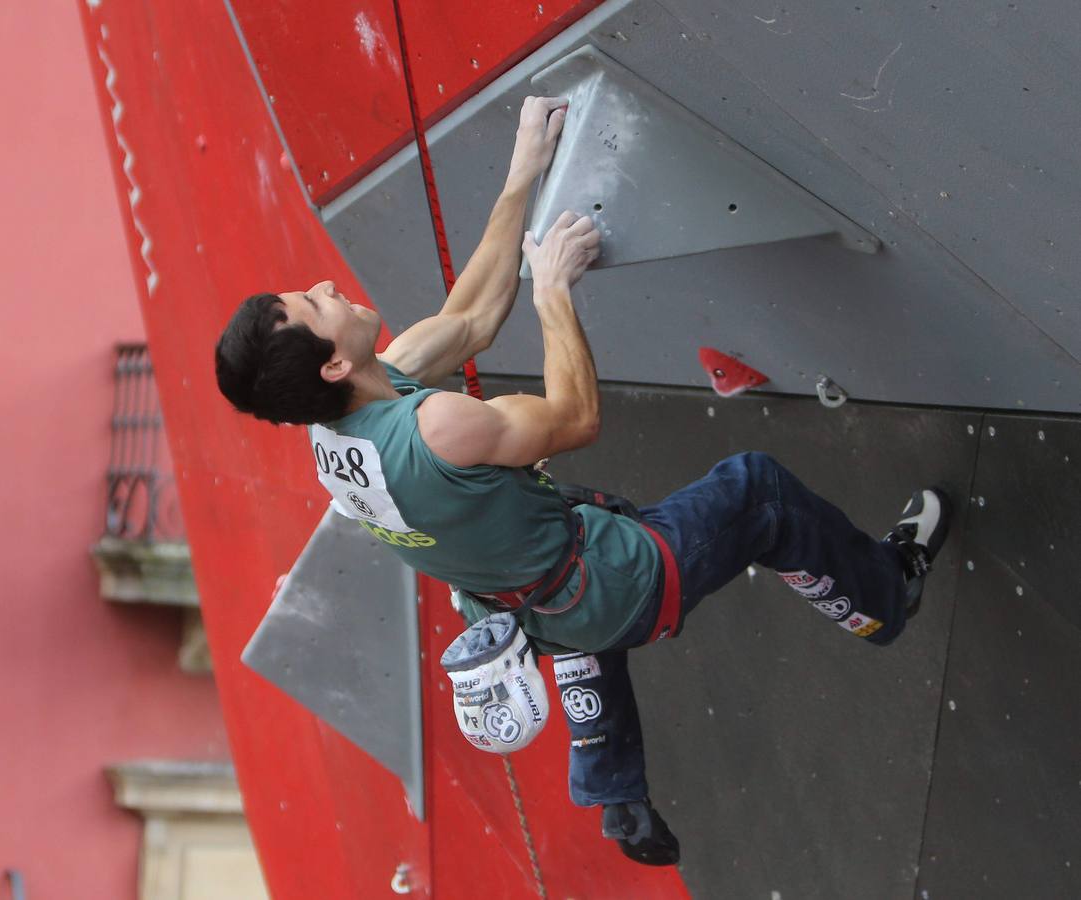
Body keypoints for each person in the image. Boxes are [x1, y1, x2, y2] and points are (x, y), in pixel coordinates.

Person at [214, 96, 951, 866]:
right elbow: (574, 418)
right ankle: (883, 598)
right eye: (314, 302)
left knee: (569, 618)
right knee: (757, 491)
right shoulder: (436, 427)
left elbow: (468, 319)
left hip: (524, 597)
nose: (326, 284)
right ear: (333, 362)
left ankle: (611, 785)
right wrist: (552, 293)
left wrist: (523, 168)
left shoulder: (335, 429)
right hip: (605, 584)